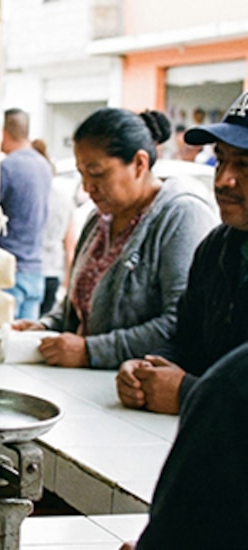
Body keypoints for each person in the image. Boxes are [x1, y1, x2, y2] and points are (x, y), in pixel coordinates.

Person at [12, 107, 217, 368]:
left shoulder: (182, 216)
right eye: (82, 174)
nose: (87, 188)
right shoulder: (99, 219)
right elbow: (79, 306)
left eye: (97, 173)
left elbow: (180, 323)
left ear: (139, 164)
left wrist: (91, 351)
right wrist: (45, 327)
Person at [116, 91, 248, 414]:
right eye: (221, 159)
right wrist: (148, 370)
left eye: (244, 165)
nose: (224, 180)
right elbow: (186, 341)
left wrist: (188, 393)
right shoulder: (217, 247)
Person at [118, 342, 248, 550]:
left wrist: (185, 389)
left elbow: (177, 537)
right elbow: (183, 339)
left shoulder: (229, 391)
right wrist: (147, 368)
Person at [0, 109, 53, 320]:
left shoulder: (8, 167)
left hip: (10, 271)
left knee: (3, 343)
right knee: (24, 343)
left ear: (3, 133)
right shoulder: (44, 165)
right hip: (35, 269)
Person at [32, 138, 78, 316]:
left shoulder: (29, 196)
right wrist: (69, 279)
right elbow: (70, 245)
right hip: (53, 272)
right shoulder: (64, 199)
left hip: (27, 269)